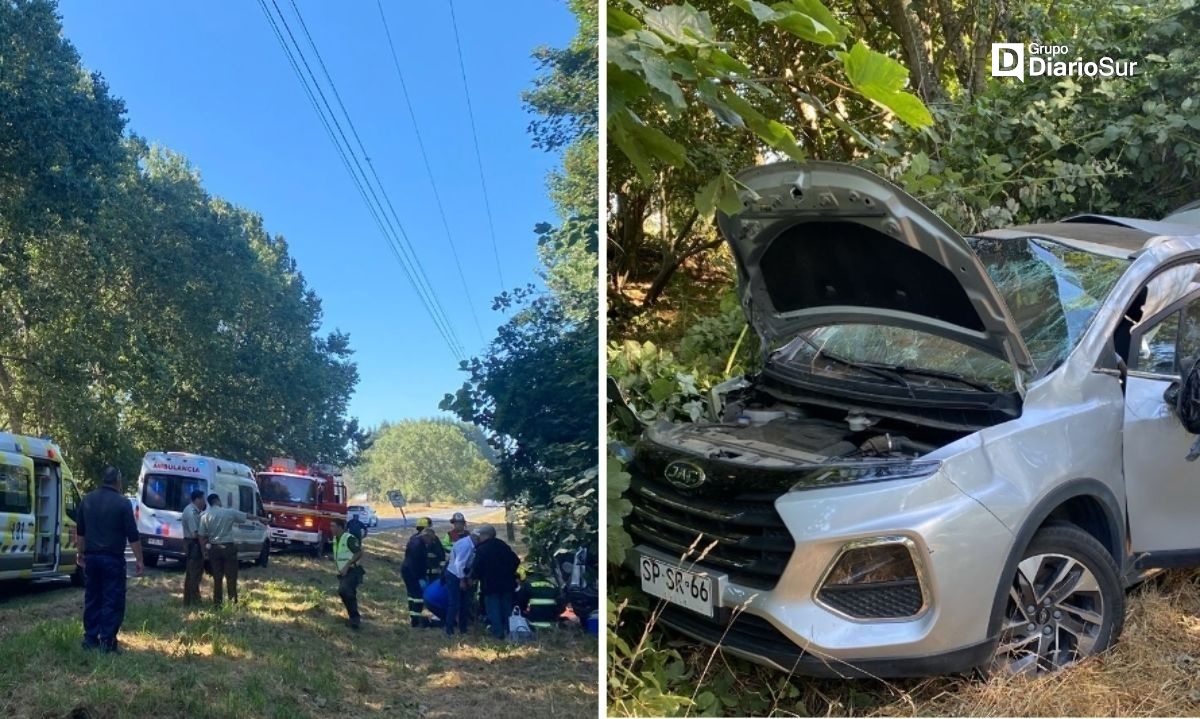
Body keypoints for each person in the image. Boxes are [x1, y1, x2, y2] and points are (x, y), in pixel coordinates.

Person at [76, 466, 144, 653]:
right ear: (118, 481)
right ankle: (107, 641)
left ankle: (90, 639)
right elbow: (132, 534)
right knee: (112, 600)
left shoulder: (87, 500)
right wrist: (139, 560)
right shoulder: (122, 503)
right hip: (112, 559)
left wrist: (80, 554)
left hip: (92, 558)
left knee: (92, 598)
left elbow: (80, 531)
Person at [198, 493, 265, 606]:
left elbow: (201, 535)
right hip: (228, 547)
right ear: (218, 500)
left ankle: (217, 603)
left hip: (214, 548)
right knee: (231, 576)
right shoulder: (229, 512)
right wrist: (261, 519)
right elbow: (247, 516)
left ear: (209, 503)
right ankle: (232, 602)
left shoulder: (205, 516)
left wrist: (204, 551)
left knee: (217, 578)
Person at [471, 525, 520, 640]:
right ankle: (509, 631)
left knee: (493, 610)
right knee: (506, 609)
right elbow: (516, 561)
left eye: (481, 536)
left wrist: (474, 577)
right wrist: (509, 572)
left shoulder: (482, 549)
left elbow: (477, 567)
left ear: (486, 535)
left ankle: (498, 633)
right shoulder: (502, 546)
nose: (479, 538)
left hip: (490, 585)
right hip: (507, 584)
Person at [331, 518, 365, 629]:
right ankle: (353, 618)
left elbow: (359, 552)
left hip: (352, 571)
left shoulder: (349, 538)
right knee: (345, 593)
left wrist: (347, 565)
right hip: (343, 572)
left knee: (345, 591)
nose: (331, 528)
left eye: (333, 526)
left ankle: (355, 620)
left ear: (340, 527)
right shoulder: (336, 539)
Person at [444, 526, 476, 637]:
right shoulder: (466, 545)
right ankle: (449, 629)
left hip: (462, 574)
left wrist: (469, 577)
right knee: (455, 603)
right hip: (454, 575)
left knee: (464, 603)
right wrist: (462, 580)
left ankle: (463, 628)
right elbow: (459, 564)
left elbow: (470, 563)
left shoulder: (470, 544)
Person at [401, 518, 432, 627]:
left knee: (412, 596)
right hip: (413, 573)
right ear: (426, 535)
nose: (430, 542)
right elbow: (416, 562)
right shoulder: (419, 545)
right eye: (430, 540)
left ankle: (414, 617)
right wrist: (420, 576)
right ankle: (416, 620)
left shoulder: (414, 539)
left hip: (407, 571)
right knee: (418, 596)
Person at [180, 490, 207, 606]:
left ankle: (192, 600)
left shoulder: (195, 511)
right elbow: (195, 533)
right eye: (203, 499)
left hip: (193, 543)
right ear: (198, 499)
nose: (204, 502)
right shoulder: (191, 513)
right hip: (194, 544)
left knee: (194, 573)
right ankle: (192, 601)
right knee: (194, 573)